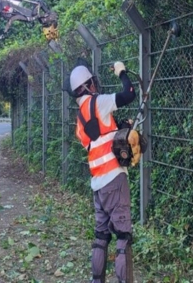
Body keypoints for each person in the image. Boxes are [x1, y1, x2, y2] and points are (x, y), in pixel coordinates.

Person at [69, 60, 136, 283]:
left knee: (101, 236)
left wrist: (120, 126)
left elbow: (100, 137)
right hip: (115, 180)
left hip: (98, 185)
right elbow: (129, 94)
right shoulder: (99, 102)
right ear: (88, 85)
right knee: (123, 237)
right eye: (92, 83)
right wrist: (122, 72)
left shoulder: (79, 120)